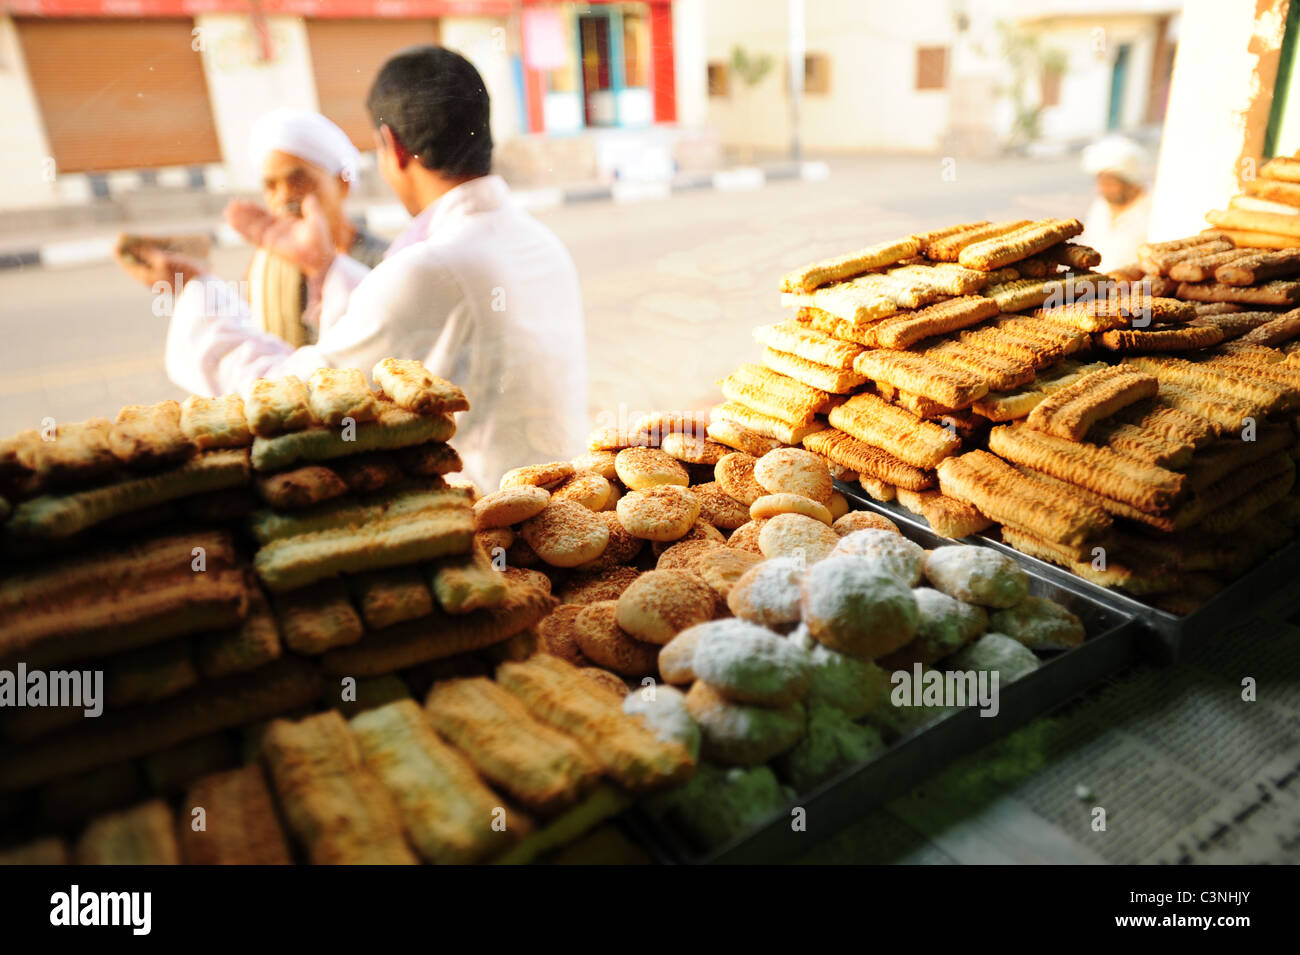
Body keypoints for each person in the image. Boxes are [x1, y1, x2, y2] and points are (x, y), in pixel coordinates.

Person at [162, 46, 587, 491]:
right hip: (562, 505)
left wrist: (197, 293)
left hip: (488, 529)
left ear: (394, 147)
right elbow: (403, 321)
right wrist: (322, 264)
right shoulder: (541, 243)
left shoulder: (430, 266)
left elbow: (286, 399)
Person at [116, 109, 386, 348]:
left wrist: (324, 268)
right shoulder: (264, 267)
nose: (283, 196)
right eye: (271, 185)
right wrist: (190, 284)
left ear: (342, 183)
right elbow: (257, 345)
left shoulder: (383, 264)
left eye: (299, 180)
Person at [1079, 135, 1152, 270]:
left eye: (1110, 182)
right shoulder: (1100, 206)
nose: (1102, 188)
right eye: (1100, 181)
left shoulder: (1152, 211)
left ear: (1131, 183)